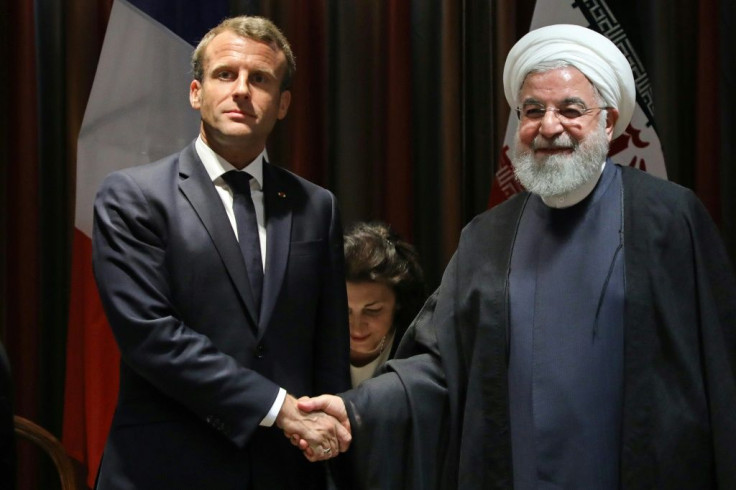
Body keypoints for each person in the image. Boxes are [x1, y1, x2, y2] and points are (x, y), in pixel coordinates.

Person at [297, 24, 736, 489]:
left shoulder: (669, 218)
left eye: (570, 109)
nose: (549, 126)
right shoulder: (488, 236)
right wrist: (356, 407)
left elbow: (720, 366)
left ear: (608, 123)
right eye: (532, 111)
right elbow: (438, 363)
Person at [92, 16, 351, 489]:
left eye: (260, 79)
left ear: (283, 104)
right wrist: (277, 407)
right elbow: (151, 337)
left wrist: (329, 450)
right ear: (196, 92)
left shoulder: (317, 206)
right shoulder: (133, 196)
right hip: (166, 469)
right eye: (225, 74)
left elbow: (328, 348)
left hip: (287, 471)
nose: (241, 90)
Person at [343, 222, 426, 387]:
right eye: (344, 311)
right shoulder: (312, 345)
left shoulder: (419, 349)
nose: (357, 327)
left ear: (398, 302)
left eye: (372, 311)